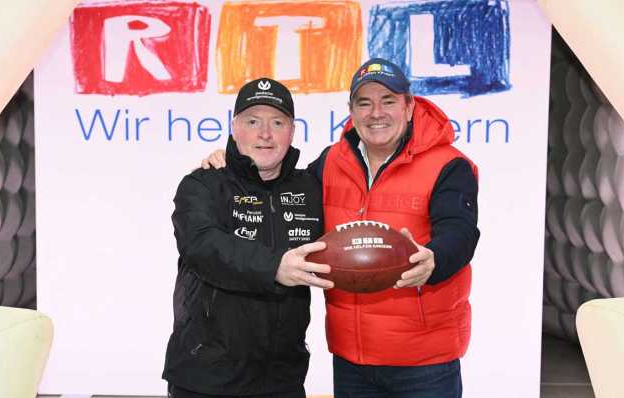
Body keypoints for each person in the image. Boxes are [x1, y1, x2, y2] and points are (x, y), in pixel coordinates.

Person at [202, 58, 480, 398]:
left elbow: (460, 231)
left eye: (388, 100)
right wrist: (233, 163)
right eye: (364, 102)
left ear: (409, 107)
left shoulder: (448, 165)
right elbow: (278, 189)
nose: (376, 112)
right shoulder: (332, 161)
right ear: (351, 110)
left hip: (424, 361)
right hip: (351, 358)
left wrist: (435, 258)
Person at [162, 77, 334, 398]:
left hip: (282, 380)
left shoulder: (311, 188)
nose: (265, 134)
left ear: (292, 131)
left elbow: (370, 134)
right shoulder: (202, 185)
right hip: (206, 380)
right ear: (234, 127)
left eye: (277, 122)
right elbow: (203, 246)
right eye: (253, 121)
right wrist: (275, 267)